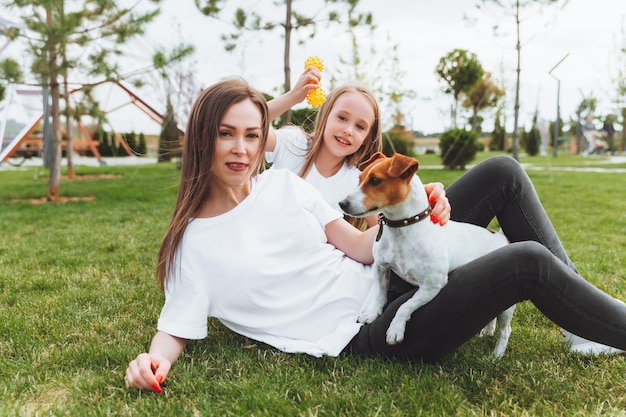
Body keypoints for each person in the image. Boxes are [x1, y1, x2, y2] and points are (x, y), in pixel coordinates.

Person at [125, 78, 626, 393]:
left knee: (501, 171)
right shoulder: (197, 242)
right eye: (225, 133)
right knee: (526, 262)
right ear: (203, 137)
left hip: (391, 275)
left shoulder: (283, 186)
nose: (240, 148)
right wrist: (151, 361)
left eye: (251, 135)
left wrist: (413, 202)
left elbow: (361, 246)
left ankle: (582, 329)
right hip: (368, 333)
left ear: (262, 141)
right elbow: (175, 328)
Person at [264, 67, 448, 229]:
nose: (348, 130)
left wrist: (420, 197)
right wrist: (293, 97)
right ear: (326, 115)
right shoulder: (293, 143)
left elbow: (381, 231)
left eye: (360, 126)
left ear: (366, 138)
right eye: (342, 118)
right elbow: (245, 126)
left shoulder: (358, 180)